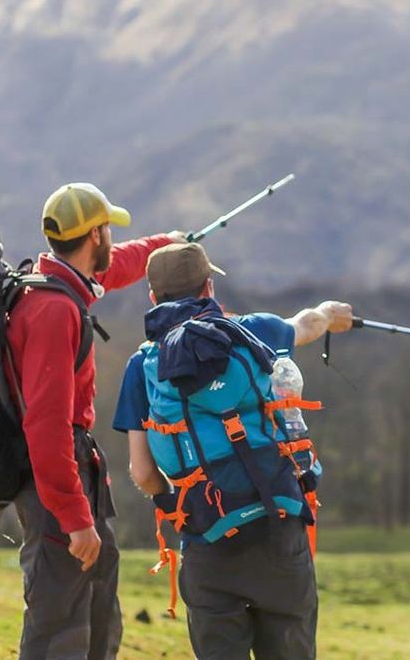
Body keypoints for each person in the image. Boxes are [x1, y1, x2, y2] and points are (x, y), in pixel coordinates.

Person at [112, 242, 352, 659]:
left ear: (153, 298)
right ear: (209, 286)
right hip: (278, 526)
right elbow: (306, 324)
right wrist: (331, 314)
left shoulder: (143, 366)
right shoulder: (254, 329)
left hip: (206, 539)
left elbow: (144, 472)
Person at [6, 182, 185, 659]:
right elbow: (46, 426)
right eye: (108, 229)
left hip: (76, 473)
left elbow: (119, 265)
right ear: (94, 236)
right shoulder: (53, 311)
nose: (111, 238)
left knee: (98, 613)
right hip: (56, 483)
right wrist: (74, 518)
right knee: (58, 626)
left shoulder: (58, 283)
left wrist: (165, 244)